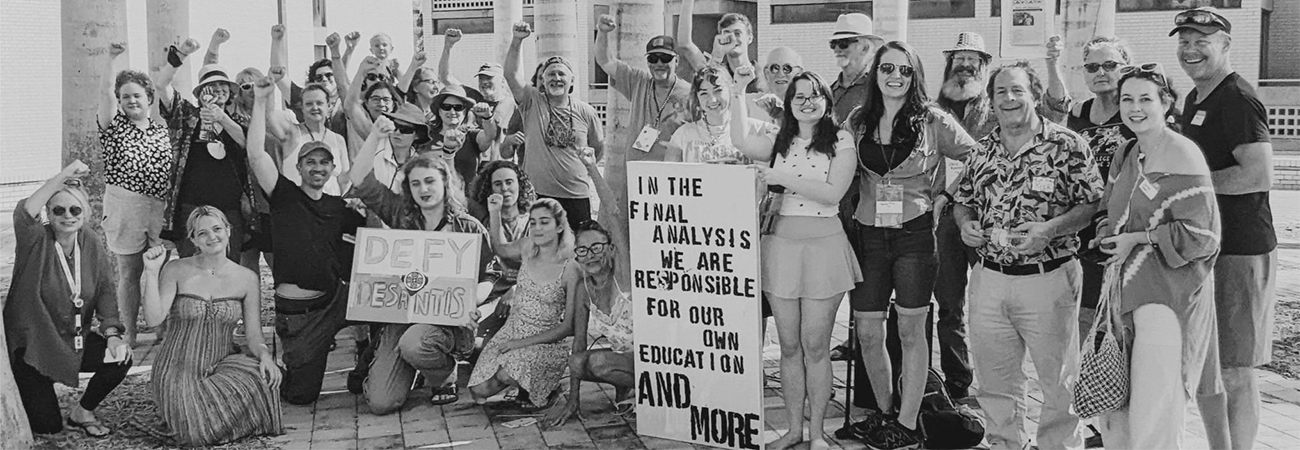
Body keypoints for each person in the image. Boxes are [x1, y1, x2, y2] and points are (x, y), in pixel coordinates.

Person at [953, 61, 1102, 450]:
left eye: (1017, 90)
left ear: (1034, 95)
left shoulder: (1067, 145)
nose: (1009, 98)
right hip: (990, 279)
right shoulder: (982, 150)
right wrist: (965, 224)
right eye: (1000, 92)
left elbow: (1091, 203)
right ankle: (1004, 443)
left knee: (1059, 382)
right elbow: (962, 200)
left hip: (1048, 278)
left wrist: (1050, 230)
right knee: (994, 381)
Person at [843, 41, 979, 449]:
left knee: (910, 329)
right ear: (876, 74)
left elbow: (978, 155)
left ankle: (905, 423)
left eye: (904, 70)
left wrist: (947, 194)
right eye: (888, 68)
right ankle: (884, 413)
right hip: (868, 234)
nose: (896, 76)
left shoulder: (932, 119)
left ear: (914, 75)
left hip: (914, 235)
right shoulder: (858, 120)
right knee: (868, 331)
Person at [1088, 62, 1222, 450]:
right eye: (1127, 98)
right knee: (1116, 416)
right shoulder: (1128, 152)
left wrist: (1138, 239)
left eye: (1146, 98)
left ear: (1166, 103)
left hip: (1167, 299)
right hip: (1121, 297)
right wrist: (1106, 237)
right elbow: (1105, 210)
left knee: (1155, 415)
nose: (1135, 107)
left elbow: (1203, 237)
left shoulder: (1183, 154)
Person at [727, 68, 860, 450]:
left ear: (826, 101)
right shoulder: (778, 139)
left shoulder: (841, 140)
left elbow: (833, 193)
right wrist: (739, 89)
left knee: (816, 345)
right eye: (799, 96)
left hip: (825, 247)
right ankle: (793, 430)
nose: (806, 102)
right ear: (789, 103)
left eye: (814, 95)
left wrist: (780, 178)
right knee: (788, 346)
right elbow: (738, 139)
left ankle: (817, 432)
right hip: (781, 245)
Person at [1170, 8, 1276, 450]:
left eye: (1202, 40)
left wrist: (1191, 187)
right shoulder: (1198, 97)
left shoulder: (1237, 98)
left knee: (1236, 369)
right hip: (1207, 249)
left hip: (1241, 251)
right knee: (1211, 364)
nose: (1191, 49)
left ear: (1226, 45)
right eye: (1185, 40)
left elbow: (1258, 175)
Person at [347, 119, 494, 413]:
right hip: (402, 314)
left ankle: (444, 375)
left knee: (415, 344)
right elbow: (360, 178)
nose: (423, 189)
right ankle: (410, 365)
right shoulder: (402, 215)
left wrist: (472, 301)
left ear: (445, 182)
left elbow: (490, 275)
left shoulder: (467, 227)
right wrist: (376, 136)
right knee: (380, 402)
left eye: (430, 181)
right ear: (408, 189)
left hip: (448, 320)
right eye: (415, 183)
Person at [247, 76, 366, 405]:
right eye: (310, 161)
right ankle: (292, 367)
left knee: (386, 307)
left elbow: (373, 238)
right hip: (300, 314)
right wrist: (260, 101)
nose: (317, 167)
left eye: (324, 162)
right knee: (301, 397)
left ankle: (369, 363)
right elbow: (256, 154)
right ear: (297, 166)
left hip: (336, 301)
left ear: (332, 168)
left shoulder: (340, 208)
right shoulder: (284, 196)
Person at [6, 162, 132, 437]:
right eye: (58, 210)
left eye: (75, 209)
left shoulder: (91, 242)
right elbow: (25, 212)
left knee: (120, 357)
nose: (67, 216)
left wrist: (112, 333)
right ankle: (38, 387)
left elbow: (105, 292)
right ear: (48, 214)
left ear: (85, 213)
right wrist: (62, 177)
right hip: (34, 348)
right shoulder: (36, 239)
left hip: (73, 340)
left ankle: (82, 411)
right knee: (47, 426)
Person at [139, 207, 283, 446]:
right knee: (193, 435)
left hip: (221, 362)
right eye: (202, 233)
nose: (211, 237)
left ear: (228, 231)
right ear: (193, 239)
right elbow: (153, 319)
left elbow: (254, 335)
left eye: (217, 229)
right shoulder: (176, 269)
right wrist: (152, 273)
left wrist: (266, 357)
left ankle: (215, 415)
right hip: (177, 366)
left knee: (264, 380)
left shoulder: (247, 277)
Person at [1046, 36, 1138, 356]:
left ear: (1125, 68)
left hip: (1120, 224)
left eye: (1110, 65)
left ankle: (1123, 380)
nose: (1101, 72)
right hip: (1084, 224)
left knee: (1119, 311)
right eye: (1093, 66)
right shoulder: (1080, 112)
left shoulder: (1134, 111)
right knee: (1086, 309)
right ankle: (1092, 375)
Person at [96, 42, 173, 347]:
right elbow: (104, 94)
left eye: (137, 95)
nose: (131, 100)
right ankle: (128, 333)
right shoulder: (112, 127)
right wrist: (111, 58)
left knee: (161, 271)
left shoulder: (161, 129)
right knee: (130, 272)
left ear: (149, 98)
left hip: (159, 207)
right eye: (125, 96)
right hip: (124, 204)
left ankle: (162, 329)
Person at [468, 197, 580, 409]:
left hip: (546, 341)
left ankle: (547, 385)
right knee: (479, 390)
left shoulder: (571, 267)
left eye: (544, 222)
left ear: (559, 226)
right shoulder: (528, 246)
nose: (537, 228)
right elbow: (500, 249)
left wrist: (518, 345)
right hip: (514, 330)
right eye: (533, 222)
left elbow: (569, 327)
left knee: (505, 374)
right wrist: (494, 211)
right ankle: (527, 383)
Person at [930, 31, 993, 402]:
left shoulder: (996, 107)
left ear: (984, 66)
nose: (965, 66)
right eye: (959, 59)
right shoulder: (931, 109)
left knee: (989, 305)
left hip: (985, 218)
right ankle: (958, 380)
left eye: (973, 60)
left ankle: (995, 380)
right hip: (941, 220)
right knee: (949, 303)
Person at [156, 55, 258, 264]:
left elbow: (249, 146)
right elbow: (162, 85)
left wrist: (221, 118)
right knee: (193, 267)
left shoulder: (238, 120)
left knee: (229, 267)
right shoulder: (186, 115)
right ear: (200, 92)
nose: (218, 89)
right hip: (191, 207)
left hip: (229, 210)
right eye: (210, 86)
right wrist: (181, 55)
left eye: (223, 85)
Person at [504, 22, 605, 231]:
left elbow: (598, 149)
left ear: (571, 80)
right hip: (538, 194)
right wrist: (517, 40)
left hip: (576, 195)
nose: (556, 78)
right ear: (543, 80)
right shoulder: (532, 101)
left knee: (578, 250)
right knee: (541, 250)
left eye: (561, 74)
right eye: (551, 74)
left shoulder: (586, 111)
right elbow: (511, 76)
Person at [594, 14, 691, 166]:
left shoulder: (689, 93)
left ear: (676, 60)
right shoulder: (638, 81)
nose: (659, 63)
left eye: (665, 58)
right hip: (637, 174)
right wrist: (602, 32)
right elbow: (605, 61)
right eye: (653, 58)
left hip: (672, 174)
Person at [469, 160, 538, 337]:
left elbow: (543, 270)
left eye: (509, 182)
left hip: (524, 296)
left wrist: (515, 290)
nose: (505, 189)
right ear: (490, 190)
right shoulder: (480, 219)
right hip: (487, 297)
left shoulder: (535, 221)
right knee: (472, 342)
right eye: (498, 184)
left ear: (519, 185)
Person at [667, 67, 779, 164]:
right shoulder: (682, 135)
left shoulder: (757, 129)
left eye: (718, 90)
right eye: (704, 93)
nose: (712, 99)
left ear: (730, 90)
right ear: (697, 98)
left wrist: (780, 114)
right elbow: (667, 175)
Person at [266, 69, 351, 196]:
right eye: (309, 104)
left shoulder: (338, 139)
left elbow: (344, 180)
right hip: (299, 207)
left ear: (328, 106)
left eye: (319, 103)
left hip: (331, 209)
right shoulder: (292, 133)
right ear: (302, 108)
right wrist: (271, 83)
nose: (315, 107)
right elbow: (269, 115)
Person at [676, 0, 760, 93]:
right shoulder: (717, 72)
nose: (732, 38)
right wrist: (717, 55)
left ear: (750, 38)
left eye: (737, 33)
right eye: (726, 33)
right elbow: (685, 44)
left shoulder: (764, 75)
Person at [427, 84, 498, 186]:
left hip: (466, 199)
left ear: (465, 112)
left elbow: (490, 135)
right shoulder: (427, 135)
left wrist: (487, 117)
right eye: (446, 107)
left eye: (458, 107)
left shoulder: (472, 136)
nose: (452, 111)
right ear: (439, 111)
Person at [828, 13, 884, 123]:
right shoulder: (829, 92)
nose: (837, 49)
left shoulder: (878, 88)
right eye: (833, 43)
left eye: (844, 43)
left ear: (864, 48)